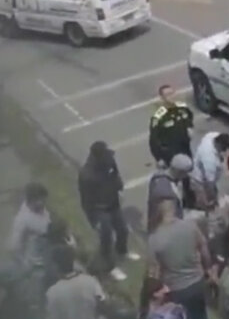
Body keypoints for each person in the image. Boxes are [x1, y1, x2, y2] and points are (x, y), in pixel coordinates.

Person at [147, 198, 217, 319]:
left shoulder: (155, 239)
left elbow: (153, 271)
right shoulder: (190, 227)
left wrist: (154, 292)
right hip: (197, 282)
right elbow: (204, 248)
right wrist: (208, 269)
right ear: (175, 211)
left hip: (176, 288)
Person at [80, 140, 139, 281]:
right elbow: (86, 201)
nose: (109, 157)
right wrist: (93, 220)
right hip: (99, 210)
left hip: (113, 204)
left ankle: (122, 251)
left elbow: (115, 175)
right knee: (106, 238)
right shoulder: (87, 175)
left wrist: (119, 188)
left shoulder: (109, 161)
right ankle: (110, 266)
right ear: (97, 157)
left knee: (123, 230)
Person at [149, 85, 195, 204]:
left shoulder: (182, 108)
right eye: (167, 95)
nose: (171, 97)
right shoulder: (159, 117)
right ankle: (173, 201)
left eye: (172, 93)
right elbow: (153, 140)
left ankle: (188, 199)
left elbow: (189, 118)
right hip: (170, 153)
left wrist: (190, 127)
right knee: (172, 179)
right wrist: (159, 158)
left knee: (186, 176)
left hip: (185, 149)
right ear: (162, 98)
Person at [8, 182, 52, 270]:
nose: (43, 203)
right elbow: (15, 246)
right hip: (37, 262)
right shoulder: (22, 220)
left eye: (44, 200)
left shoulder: (40, 209)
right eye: (40, 201)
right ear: (31, 200)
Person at [146, 153, 193, 233]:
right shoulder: (167, 193)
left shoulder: (157, 178)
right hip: (165, 231)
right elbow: (168, 220)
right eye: (185, 173)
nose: (186, 176)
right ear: (179, 172)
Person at [190, 131, 229, 213]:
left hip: (206, 175)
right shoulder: (209, 158)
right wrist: (212, 198)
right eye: (223, 149)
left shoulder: (212, 136)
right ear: (219, 145)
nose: (224, 151)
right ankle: (204, 216)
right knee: (205, 204)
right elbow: (210, 183)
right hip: (200, 181)